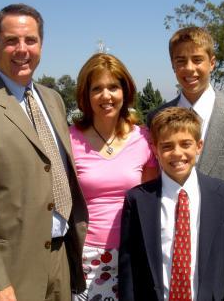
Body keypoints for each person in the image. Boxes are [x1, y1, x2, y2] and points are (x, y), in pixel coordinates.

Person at [0, 3, 88, 301]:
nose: (22, 49)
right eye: (11, 41)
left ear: (41, 44)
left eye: (30, 40)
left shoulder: (53, 100)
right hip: (9, 271)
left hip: (60, 259)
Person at [147, 27, 224, 296]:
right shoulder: (156, 117)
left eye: (197, 59)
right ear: (173, 65)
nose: (190, 68)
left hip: (222, 248)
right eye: (181, 61)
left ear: (212, 62)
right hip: (169, 250)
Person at [120, 107, 224, 301]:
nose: (177, 153)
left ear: (199, 145)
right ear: (155, 149)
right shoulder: (137, 200)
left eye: (186, 144)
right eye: (167, 146)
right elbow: (128, 265)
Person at [69, 53, 159, 300]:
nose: (106, 96)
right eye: (97, 88)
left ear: (125, 91)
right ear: (85, 95)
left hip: (133, 253)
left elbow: (150, 201)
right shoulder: (69, 140)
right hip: (84, 257)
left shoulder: (144, 139)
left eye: (113, 87)